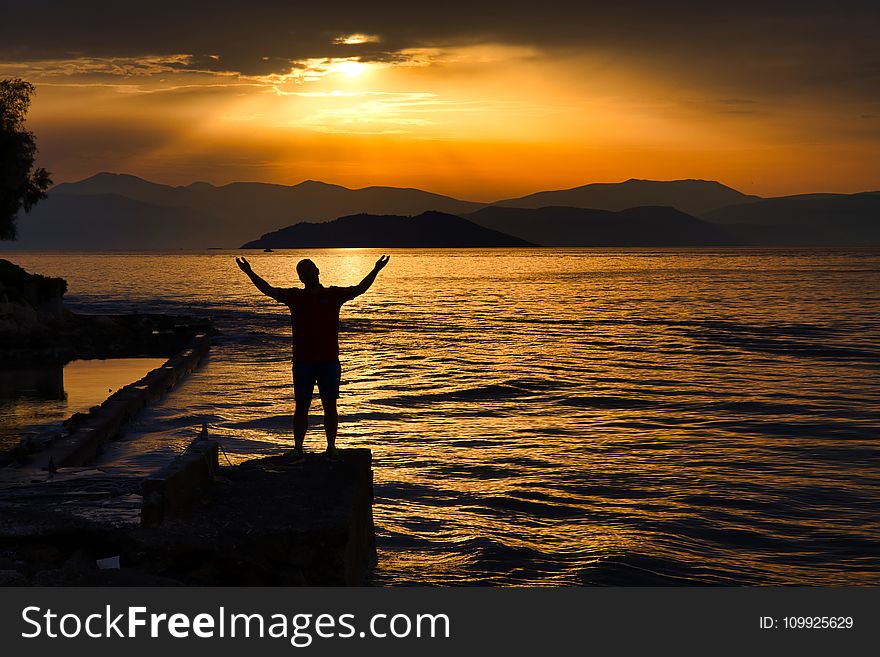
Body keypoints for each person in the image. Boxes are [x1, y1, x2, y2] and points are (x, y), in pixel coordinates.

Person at [235, 254, 390, 460]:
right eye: (302, 272)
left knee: (330, 405)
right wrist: (249, 272)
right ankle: (298, 448)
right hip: (303, 362)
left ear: (317, 271)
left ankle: (331, 447)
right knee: (301, 406)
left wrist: (376, 269)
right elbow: (269, 290)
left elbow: (359, 289)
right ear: (300, 278)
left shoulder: (333, 295)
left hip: (328, 361)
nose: (306, 274)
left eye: (309, 269)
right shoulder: (295, 297)